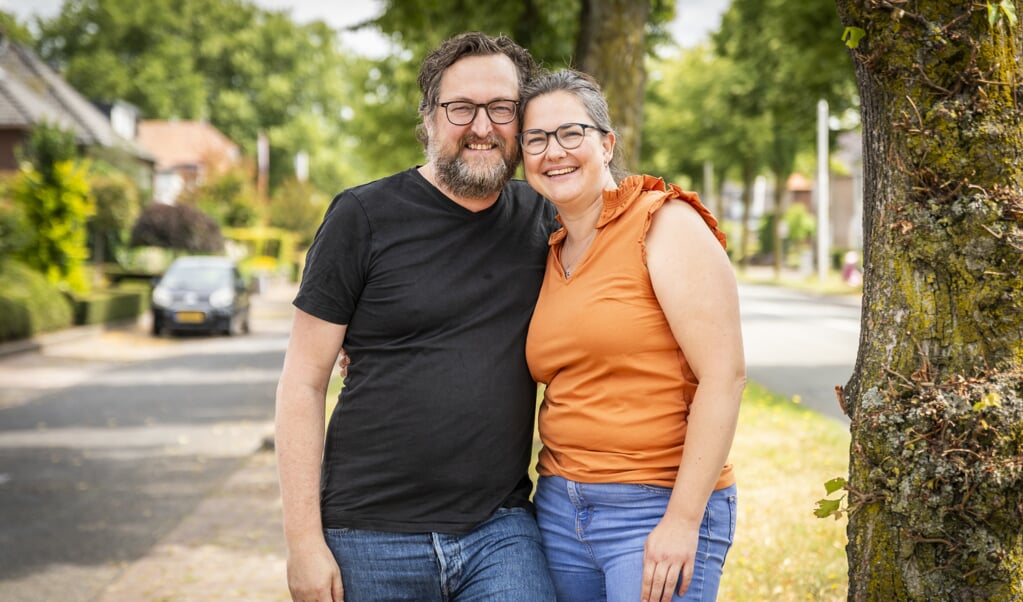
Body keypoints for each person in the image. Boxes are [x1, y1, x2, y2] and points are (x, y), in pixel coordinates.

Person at [274, 32, 558, 602]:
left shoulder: (544, 220)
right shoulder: (362, 216)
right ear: (429, 118)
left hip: (498, 529)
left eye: (501, 108)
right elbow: (302, 383)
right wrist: (304, 543)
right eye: (461, 108)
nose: (482, 126)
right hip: (366, 533)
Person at [517, 69, 746, 602]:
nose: (555, 151)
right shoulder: (547, 251)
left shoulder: (663, 223)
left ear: (606, 143)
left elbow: (725, 375)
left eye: (571, 133)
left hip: (656, 506)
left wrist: (683, 519)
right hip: (557, 509)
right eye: (536, 139)